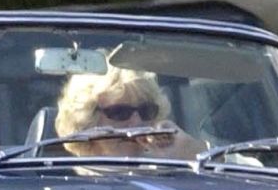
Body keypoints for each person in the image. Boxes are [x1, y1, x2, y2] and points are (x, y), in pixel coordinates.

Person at [52, 67, 207, 160]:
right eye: (120, 112)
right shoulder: (63, 186)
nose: (137, 123)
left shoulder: (169, 178)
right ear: (87, 118)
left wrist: (193, 155)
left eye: (146, 111)